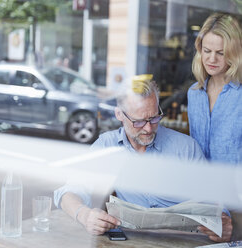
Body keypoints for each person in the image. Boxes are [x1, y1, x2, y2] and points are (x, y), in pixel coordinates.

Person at [54, 74, 233, 242]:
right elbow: (69, 191)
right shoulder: (107, 146)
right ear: (119, 115)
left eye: (154, 118)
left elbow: (215, 198)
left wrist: (223, 223)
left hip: (182, 241)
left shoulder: (185, 147)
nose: (148, 129)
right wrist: (84, 215)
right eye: (138, 122)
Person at [188, 13, 242, 164]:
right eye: (207, 51)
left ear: (234, 54)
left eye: (221, 53)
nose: (212, 59)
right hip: (200, 183)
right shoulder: (194, 93)